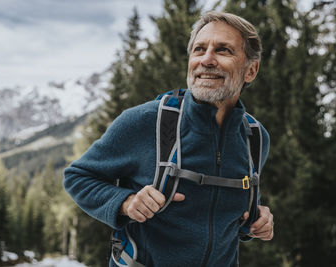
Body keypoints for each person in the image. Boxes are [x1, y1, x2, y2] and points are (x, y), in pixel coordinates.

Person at [64, 11, 274, 267]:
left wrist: (256, 220)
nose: (206, 60)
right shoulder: (144, 121)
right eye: (199, 49)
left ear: (250, 70)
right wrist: (126, 203)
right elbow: (78, 177)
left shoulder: (254, 137)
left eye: (223, 50)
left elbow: (229, 218)